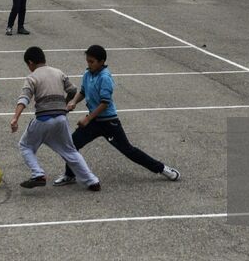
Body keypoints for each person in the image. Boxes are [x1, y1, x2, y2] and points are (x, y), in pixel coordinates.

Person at [56, 45, 180, 186]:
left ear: (101, 62)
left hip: (109, 123)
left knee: (129, 151)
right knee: (72, 144)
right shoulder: (87, 74)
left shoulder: (105, 77)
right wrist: (73, 102)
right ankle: (69, 175)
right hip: (94, 121)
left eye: (92, 62)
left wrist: (87, 119)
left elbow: (104, 103)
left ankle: (163, 169)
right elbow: (83, 92)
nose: (89, 64)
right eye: (87, 61)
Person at [10, 46, 99, 191]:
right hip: (61, 119)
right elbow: (72, 90)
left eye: (28, 65)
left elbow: (24, 98)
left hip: (43, 119)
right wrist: (64, 104)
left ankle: (38, 174)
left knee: (25, 146)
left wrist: (15, 118)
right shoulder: (58, 72)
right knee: (70, 151)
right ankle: (92, 181)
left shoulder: (32, 77)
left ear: (30, 62)